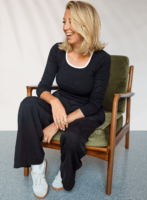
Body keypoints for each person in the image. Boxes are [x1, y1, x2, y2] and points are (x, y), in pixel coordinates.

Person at [13, 1, 111, 199]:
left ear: (86, 24)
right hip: (62, 101)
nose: (65, 27)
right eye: (64, 21)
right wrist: (55, 103)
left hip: (87, 111)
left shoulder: (102, 59)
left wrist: (57, 125)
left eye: (71, 21)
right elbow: (43, 88)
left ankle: (67, 171)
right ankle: (38, 166)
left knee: (72, 137)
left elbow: (94, 103)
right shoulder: (57, 51)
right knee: (27, 105)